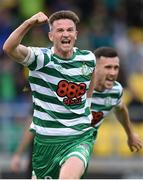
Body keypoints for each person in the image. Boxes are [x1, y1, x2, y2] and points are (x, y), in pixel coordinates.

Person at [3, 10, 97, 179]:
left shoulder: (88, 58)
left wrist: (88, 103)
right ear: (51, 36)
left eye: (70, 30)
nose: (66, 34)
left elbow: (93, 74)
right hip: (45, 144)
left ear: (76, 34)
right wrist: (28, 23)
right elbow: (9, 48)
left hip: (78, 137)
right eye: (60, 30)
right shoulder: (40, 59)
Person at [87, 47, 143, 153]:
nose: (113, 73)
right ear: (94, 68)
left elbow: (121, 109)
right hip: (59, 140)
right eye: (108, 67)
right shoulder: (79, 87)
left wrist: (130, 135)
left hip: (82, 144)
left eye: (115, 68)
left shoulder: (116, 90)